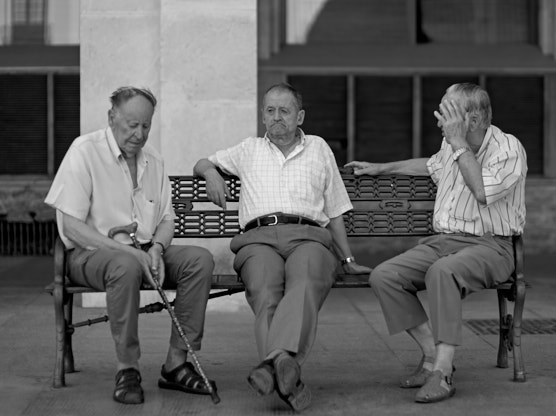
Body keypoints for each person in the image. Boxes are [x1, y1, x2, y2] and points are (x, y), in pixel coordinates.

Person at [345, 82, 527, 404]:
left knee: (443, 272)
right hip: (443, 242)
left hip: (491, 247)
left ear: (471, 120)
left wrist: (458, 144)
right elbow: (430, 166)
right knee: (385, 276)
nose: (438, 118)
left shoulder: (508, 148)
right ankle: (432, 356)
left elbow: (483, 192)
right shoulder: (449, 148)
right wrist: (382, 168)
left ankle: (442, 373)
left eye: (445, 111)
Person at [193, 82, 370, 411]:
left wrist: (346, 257)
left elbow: (333, 209)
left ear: (299, 116)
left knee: (303, 283)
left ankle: (272, 366)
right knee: (265, 292)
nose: (277, 117)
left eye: (284, 111)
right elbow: (202, 162)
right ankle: (285, 370)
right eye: (270, 111)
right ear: (262, 115)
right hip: (257, 240)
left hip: (309, 237)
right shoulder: (248, 149)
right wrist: (210, 173)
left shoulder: (318, 148)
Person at [45, 86, 215, 405]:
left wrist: (157, 249)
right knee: (124, 266)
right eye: (131, 125)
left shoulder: (155, 160)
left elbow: (166, 219)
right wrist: (129, 253)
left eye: (146, 125)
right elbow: (71, 226)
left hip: (144, 251)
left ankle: (176, 364)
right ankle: (127, 369)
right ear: (112, 118)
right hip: (91, 255)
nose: (139, 134)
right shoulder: (84, 151)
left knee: (199, 260)